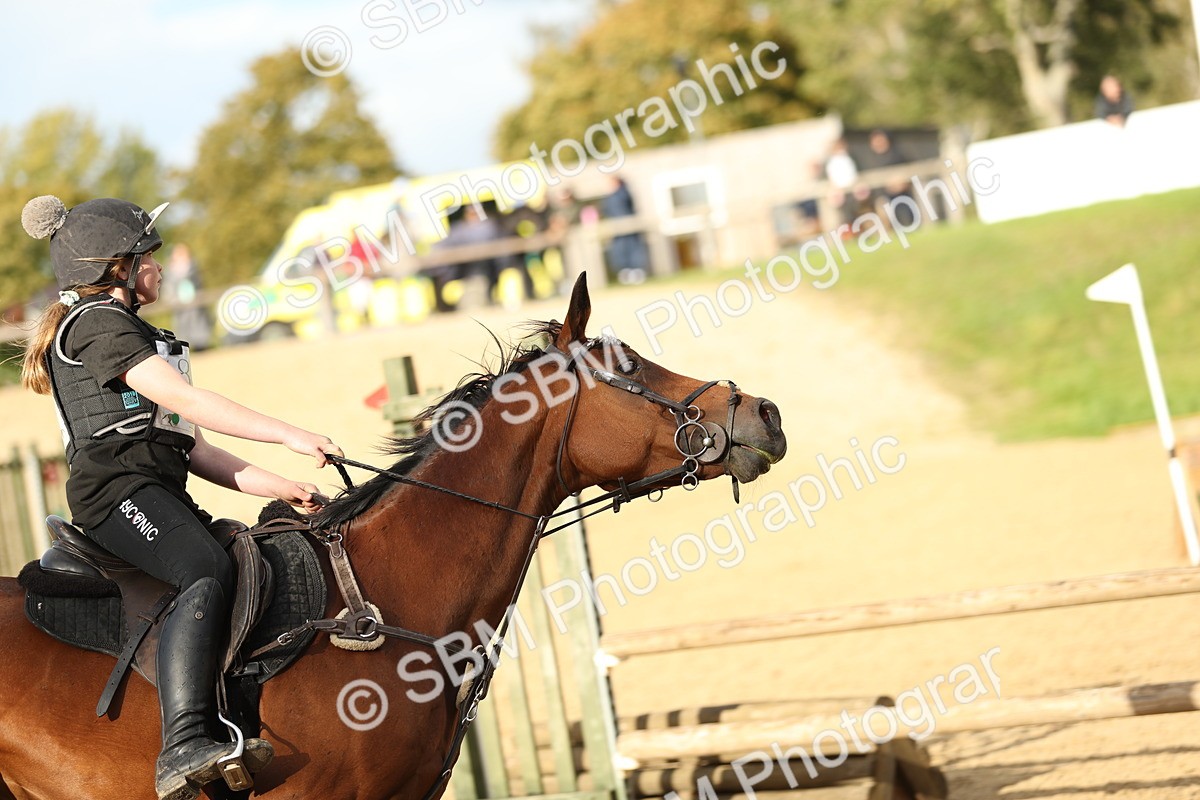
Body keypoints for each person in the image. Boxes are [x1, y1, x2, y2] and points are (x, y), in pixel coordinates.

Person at [18, 195, 342, 800]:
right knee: (203, 567)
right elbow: (193, 404)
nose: (158, 267)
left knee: (240, 553)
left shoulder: (141, 334)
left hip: (158, 490)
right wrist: (290, 433)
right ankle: (185, 742)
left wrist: (284, 484)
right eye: (147, 256)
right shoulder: (94, 324)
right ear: (115, 266)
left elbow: (193, 447)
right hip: (114, 495)